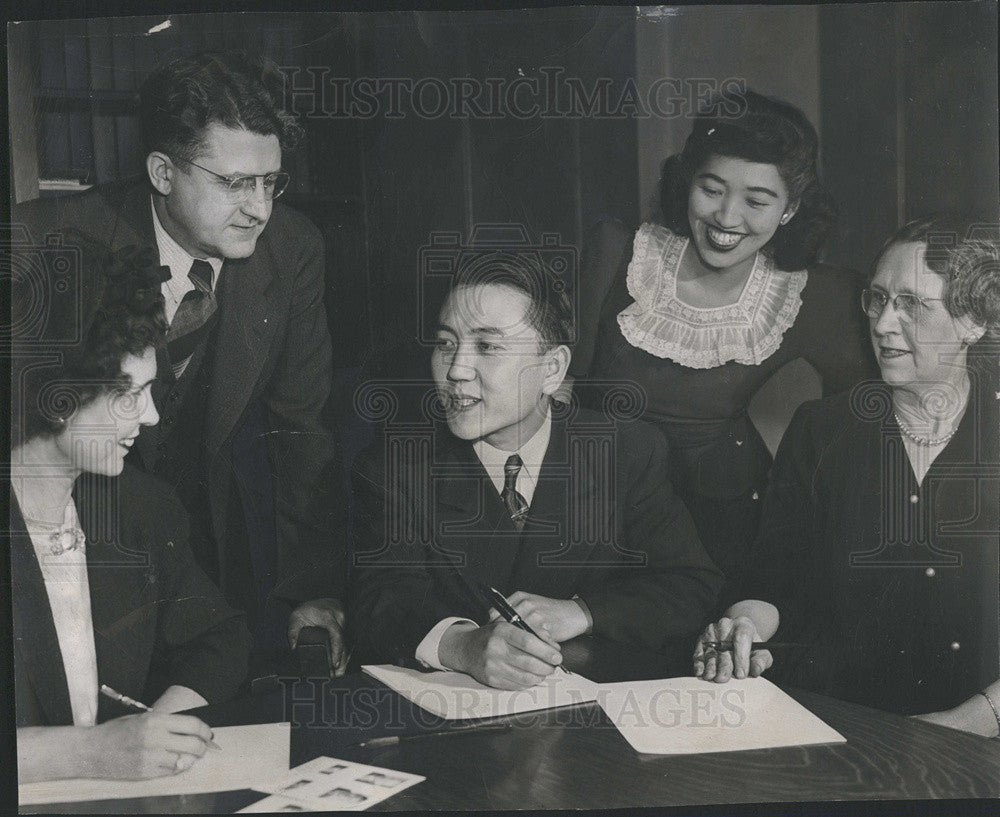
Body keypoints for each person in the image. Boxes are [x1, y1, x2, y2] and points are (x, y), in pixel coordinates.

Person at [14, 51, 348, 671]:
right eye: (233, 183)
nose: (259, 208)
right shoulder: (42, 243)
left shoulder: (293, 249)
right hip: (74, 552)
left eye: (270, 181)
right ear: (163, 173)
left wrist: (311, 588)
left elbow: (300, 430)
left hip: (216, 552)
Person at [348, 253, 722, 689]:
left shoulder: (625, 450)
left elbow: (690, 583)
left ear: (552, 369)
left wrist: (582, 612)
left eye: (488, 347)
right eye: (446, 343)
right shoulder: (397, 464)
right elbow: (380, 597)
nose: (455, 370)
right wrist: (461, 646)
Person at [693, 215, 1000, 736]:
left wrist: (968, 725)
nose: (882, 324)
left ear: (973, 320)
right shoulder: (821, 429)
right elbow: (774, 578)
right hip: (838, 726)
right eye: (877, 299)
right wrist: (744, 627)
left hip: (979, 739)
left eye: (912, 305)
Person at [581, 90, 876, 593]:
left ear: (789, 209)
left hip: (724, 528)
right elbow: (554, 386)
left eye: (757, 201)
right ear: (687, 181)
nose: (727, 217)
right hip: (597, 512)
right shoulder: (619, 252)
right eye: (712, 189)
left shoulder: (813, 294)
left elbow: (864, 417)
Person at [12, 241, 252, 782]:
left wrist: (158, 733)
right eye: (130, 394)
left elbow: (220, 639)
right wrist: (94, 753)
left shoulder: (141, 507)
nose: (150, 416)